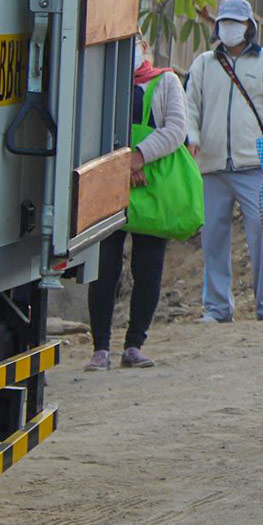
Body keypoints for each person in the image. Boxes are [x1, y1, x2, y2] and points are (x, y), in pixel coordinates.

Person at [84, 35, 186, 371]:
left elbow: (176, 130)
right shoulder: (100, 77)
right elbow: (92, 124)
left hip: (154, 184)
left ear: (143, 44)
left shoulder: (167, 81)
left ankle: (134, 344)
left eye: (134, 40)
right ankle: (100, 347)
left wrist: (140, 157)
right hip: (109, 185)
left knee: (148, 267)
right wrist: (125, 163)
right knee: (104, 268)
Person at [185, 0, 263, 324]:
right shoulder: (203, 64)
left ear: (249, 27)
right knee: (213, 238)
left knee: (262, 234)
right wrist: (194, 138)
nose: (230, 28)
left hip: (255, 165)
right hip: (212, 165)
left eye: (236, 22)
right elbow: (191, 105)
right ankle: (216, 307)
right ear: (218, 26)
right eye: (225, 22)